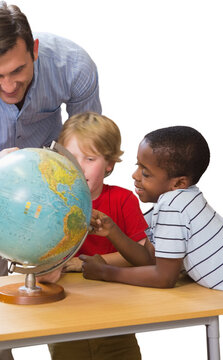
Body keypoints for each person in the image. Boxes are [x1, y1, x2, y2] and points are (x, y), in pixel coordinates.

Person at [80, 126, 223, 360]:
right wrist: (113, 230)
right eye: (137, 166)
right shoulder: (171, 204)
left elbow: (164, 278)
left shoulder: (174, 206)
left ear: (178, 183)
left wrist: (106, 272)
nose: (135, 176)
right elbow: (149, 258)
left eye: (146, 173)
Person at [0, 0, 101, 284]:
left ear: (34, 50)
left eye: (17, 71)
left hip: (51, 174)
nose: (9, 86)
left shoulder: (73, 65)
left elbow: (89, 139)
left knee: (55, 286)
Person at [39, 112, 151, 360]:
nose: (78, 167)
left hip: (117, 319)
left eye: (89, 158)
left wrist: (83, 263)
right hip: (65, 320)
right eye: (71, 158)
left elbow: (143, 255)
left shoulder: (123, 200)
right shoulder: (48, 203)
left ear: (109, 163)